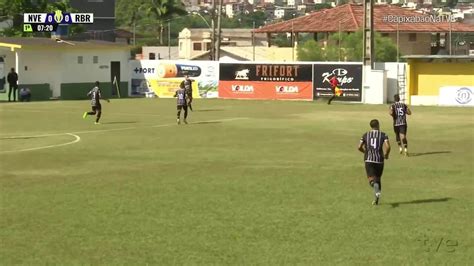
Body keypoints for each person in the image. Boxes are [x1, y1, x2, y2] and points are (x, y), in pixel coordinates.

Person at [358, 119, 391, 205]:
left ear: (371, 126)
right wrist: (386, 154)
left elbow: (359, 147)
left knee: (371, 179)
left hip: (369, 159)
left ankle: (374, 186)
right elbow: (388, 147)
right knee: (378, 178)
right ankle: (376, 199)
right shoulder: (383, 135)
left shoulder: (365, 135)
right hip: (379, 160)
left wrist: (365, 152)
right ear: (378, 125)